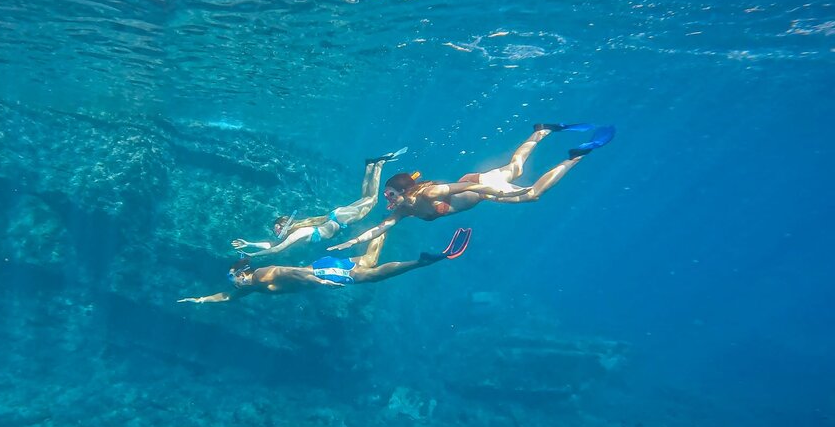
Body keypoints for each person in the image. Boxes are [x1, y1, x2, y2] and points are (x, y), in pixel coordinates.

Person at [328, 123, 614, 251]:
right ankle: (540, 131)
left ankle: (575, 157)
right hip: (479, 189)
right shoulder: (405, 211)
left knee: (532, 194)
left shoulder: (431, 193)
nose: (387, 200)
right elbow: (381, 228)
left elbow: (469, 189)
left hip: (480, 187)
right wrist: (352, 242)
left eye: (390, 194)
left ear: (404, 192)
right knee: (516, 169)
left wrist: (506, 193)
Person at [178, 228, 471, 304]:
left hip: (320, 271)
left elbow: (292, 273)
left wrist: (321, 281)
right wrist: (202, 299)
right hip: (321, 266)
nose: (235, 284)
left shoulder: (262, 275)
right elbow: (228, 297)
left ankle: (420, 262)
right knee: (368, 260)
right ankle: (387, 227)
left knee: (370, 276)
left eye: (235, 279)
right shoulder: (249, 286)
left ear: (242, 273)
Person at [231, 148, 407, 258]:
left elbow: (277, 250)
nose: (275, 231)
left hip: (341, 220)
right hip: (338, 217)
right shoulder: (296, 230)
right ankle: (370, 166)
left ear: (284, 224)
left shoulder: (299, 232)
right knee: (365, 198)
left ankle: (380, 164)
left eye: (276, 227)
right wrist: (250, 243)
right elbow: (273, 244)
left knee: (372, 200)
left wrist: (253, 255)